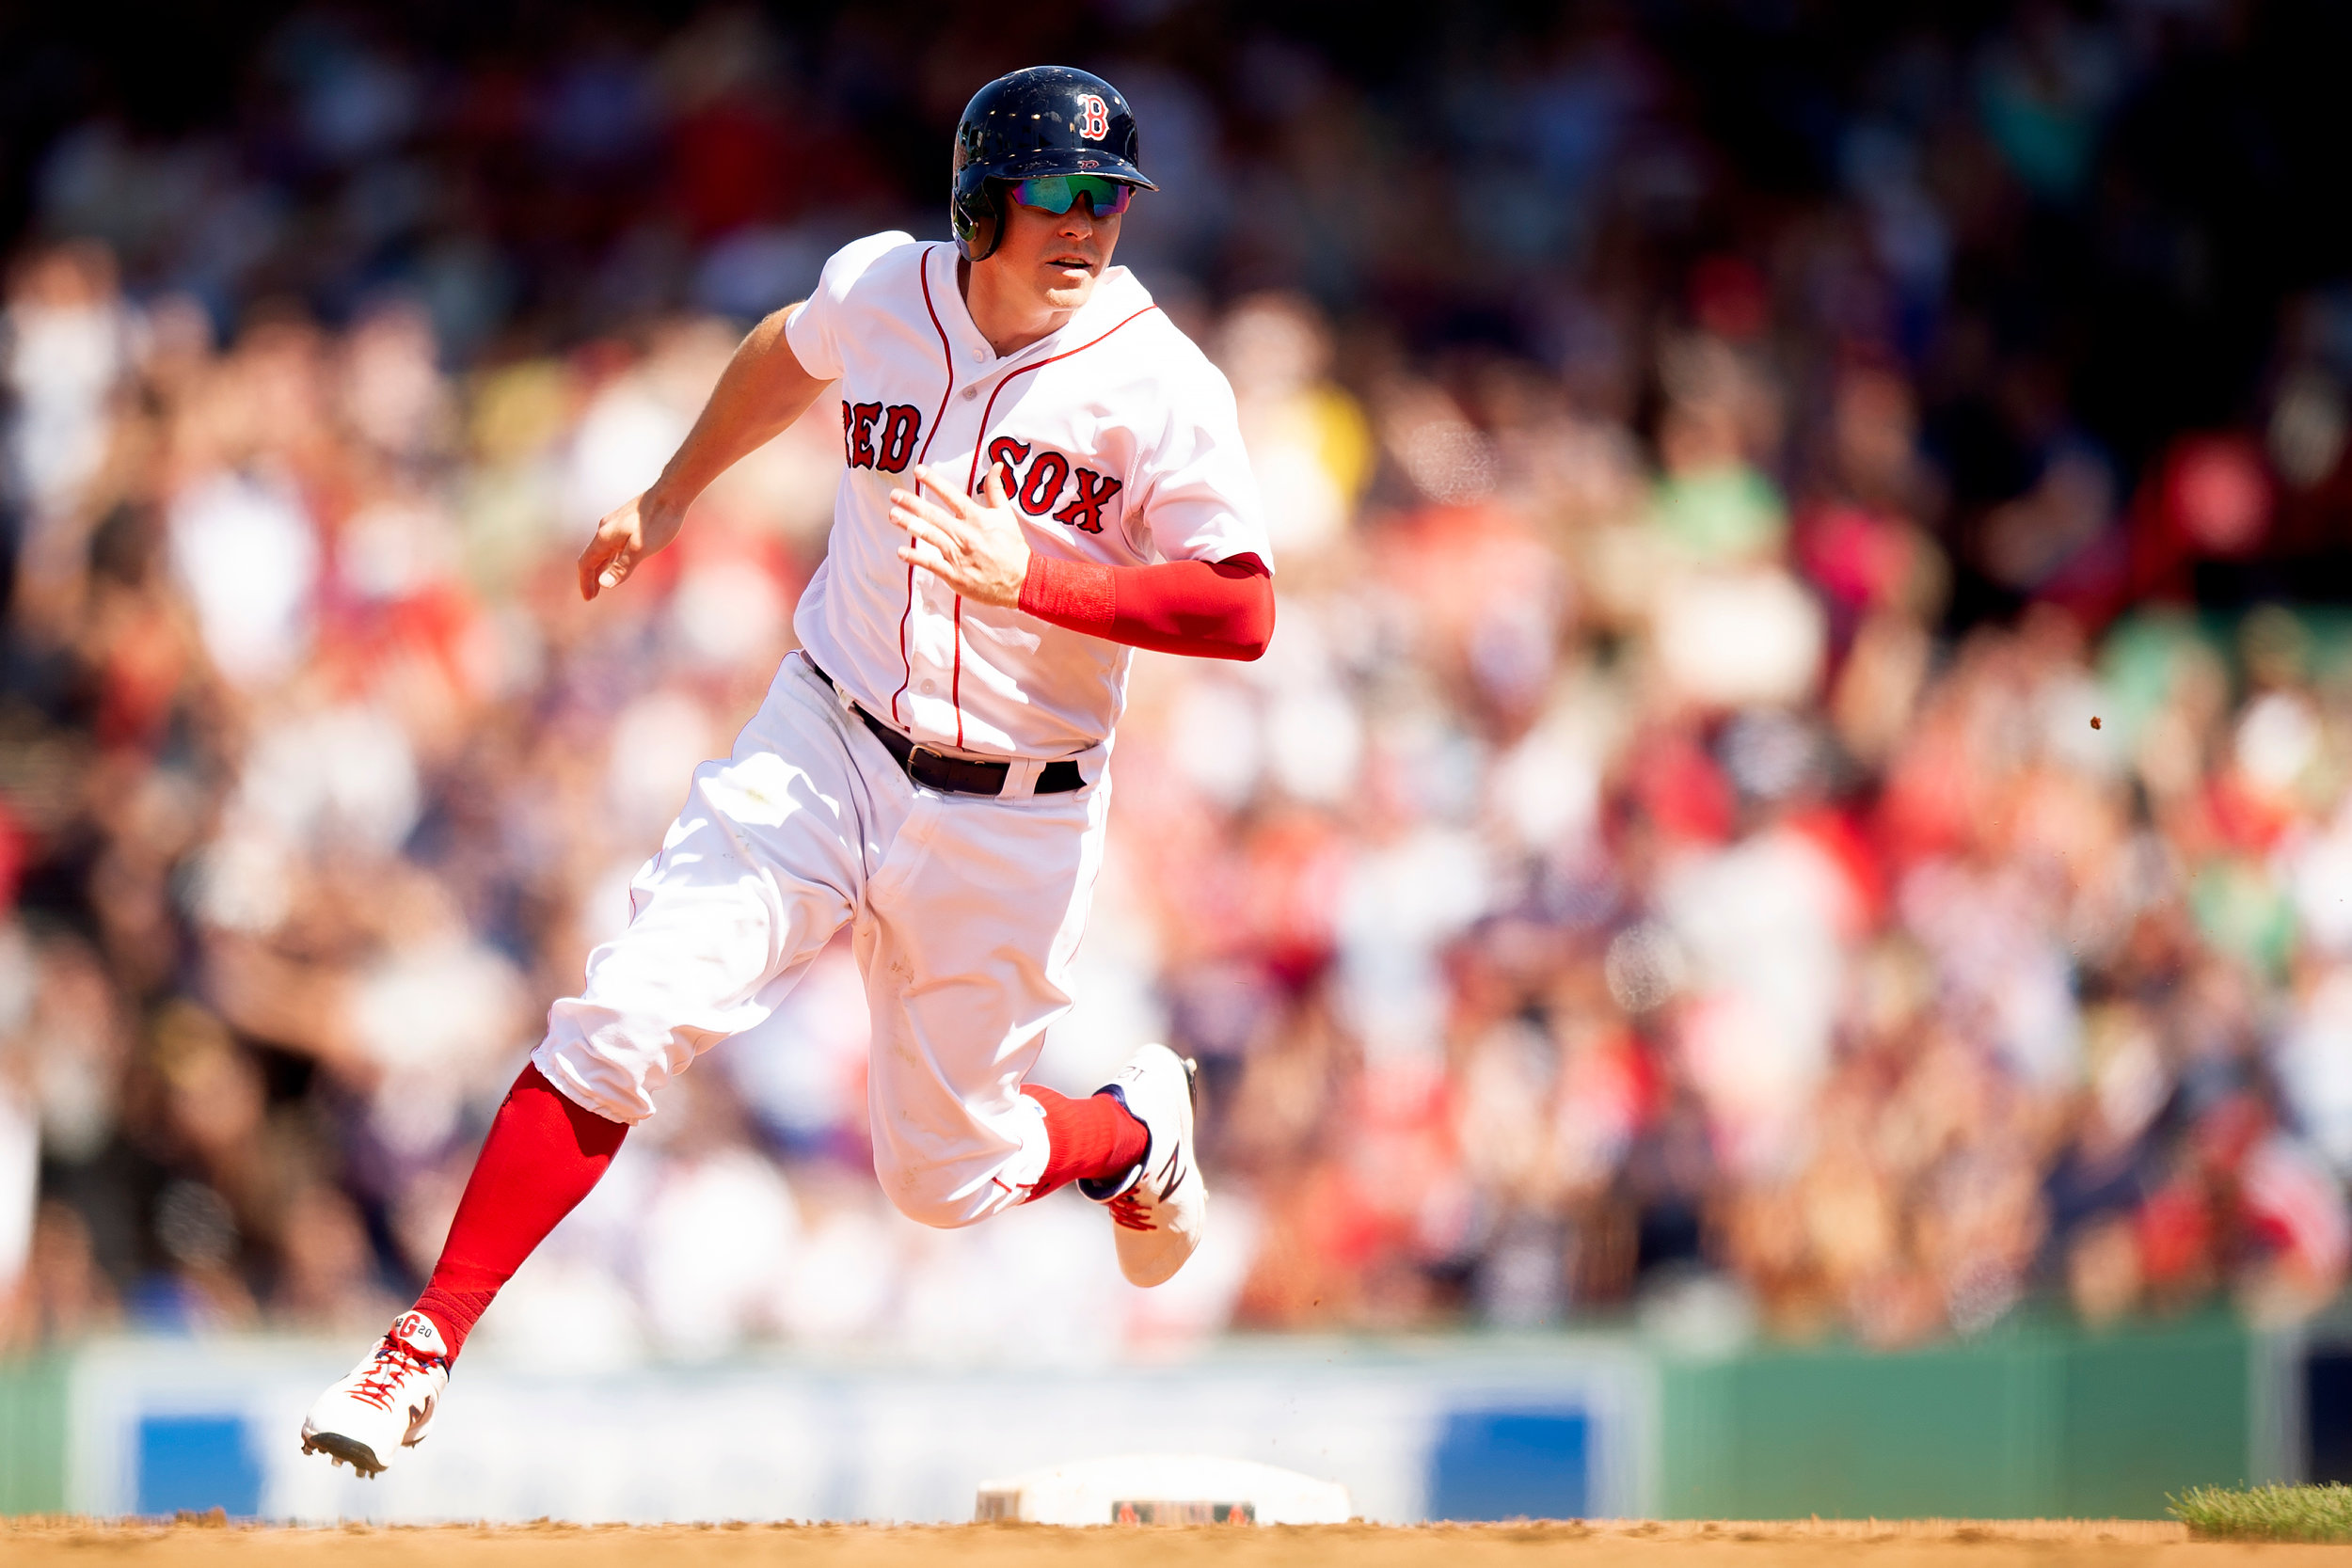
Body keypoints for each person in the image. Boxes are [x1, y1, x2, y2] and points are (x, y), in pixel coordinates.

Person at [298, 65, 1274, 1476]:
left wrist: (1044, 581)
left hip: (1016, 808)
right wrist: (672, 488)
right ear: (981, 196)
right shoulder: (888, 286)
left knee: (945, 1180)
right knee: (624, 1017)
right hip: (823, 738)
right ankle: (419, 1347)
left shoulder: (1158, 381)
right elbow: (784, 348)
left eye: (1110, 200)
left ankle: (1129, 1136)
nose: (1088, 225)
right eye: (1060, 193)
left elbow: (1240, 607)